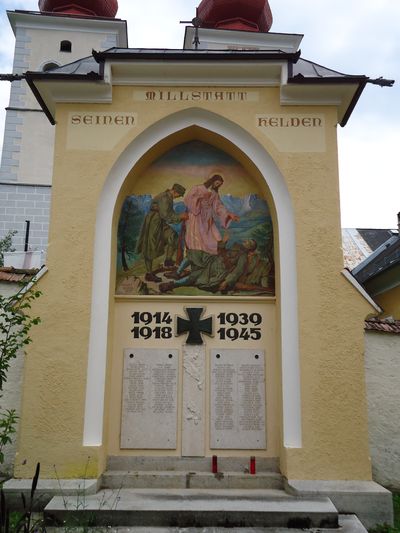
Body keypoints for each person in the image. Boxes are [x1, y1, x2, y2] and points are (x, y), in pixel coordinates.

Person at [136, 183, 187, 283]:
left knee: (173, 235)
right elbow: (165, 215)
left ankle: (168, 261)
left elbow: (170, 213)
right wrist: (180, 217)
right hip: (153, 222)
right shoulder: (164, 197)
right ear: (175, 191)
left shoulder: (169, 197)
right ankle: (149, 273)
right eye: (179, 195)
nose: (178, 197)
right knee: (150, 246)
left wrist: (179, 217)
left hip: (161, 222)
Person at [184, 174, 239, 256]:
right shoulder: (198, 188)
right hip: (197, 216)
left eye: (219, 185)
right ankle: (196, 257)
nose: (217, 186)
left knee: (213, 236)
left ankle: (208, 257)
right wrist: (198, 199)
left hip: (208, 218)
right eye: (217, 183)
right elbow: (188, 198)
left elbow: (219, 206)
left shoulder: (214, 193)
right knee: (198, 238)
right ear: (212, 181)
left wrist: (229, 214)